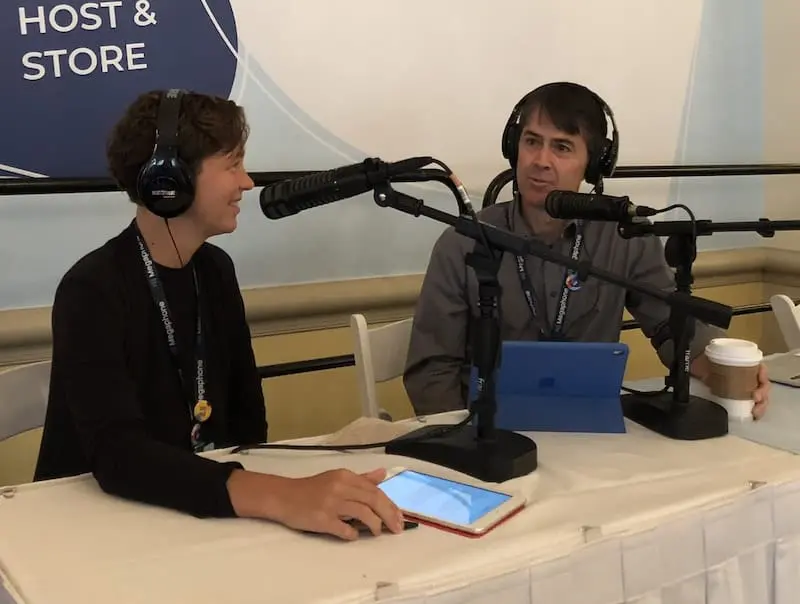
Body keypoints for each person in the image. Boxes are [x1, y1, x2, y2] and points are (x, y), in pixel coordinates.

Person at [34, 89, 403, 541]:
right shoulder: (91, 288)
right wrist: (280, 496)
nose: (247, 183)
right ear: (170, 180)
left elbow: (248, 419)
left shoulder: (215, 271)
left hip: (197, 518)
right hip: (93, 531)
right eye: (232, 165)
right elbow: (118, 456)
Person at [404, 81, 771, 418]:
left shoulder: (625, 238)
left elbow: (670, 328)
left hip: (589, 433)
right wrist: (463, 444)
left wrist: (731, 371)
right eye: (532, 141)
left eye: (561, 147)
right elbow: (432, 373)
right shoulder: (464, 242)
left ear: (593, 166)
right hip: (490, 435)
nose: (540, 160)